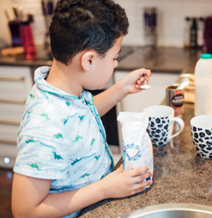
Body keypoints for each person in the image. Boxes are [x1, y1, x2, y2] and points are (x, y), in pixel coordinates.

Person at [11, 0, 153, 217]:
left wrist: (123, 88)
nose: (115, 63)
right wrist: (104, 189)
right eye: (114, 58)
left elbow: (79, 118)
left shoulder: (64, 89)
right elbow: (25, 211)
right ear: (88, 61)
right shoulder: (44, 125)